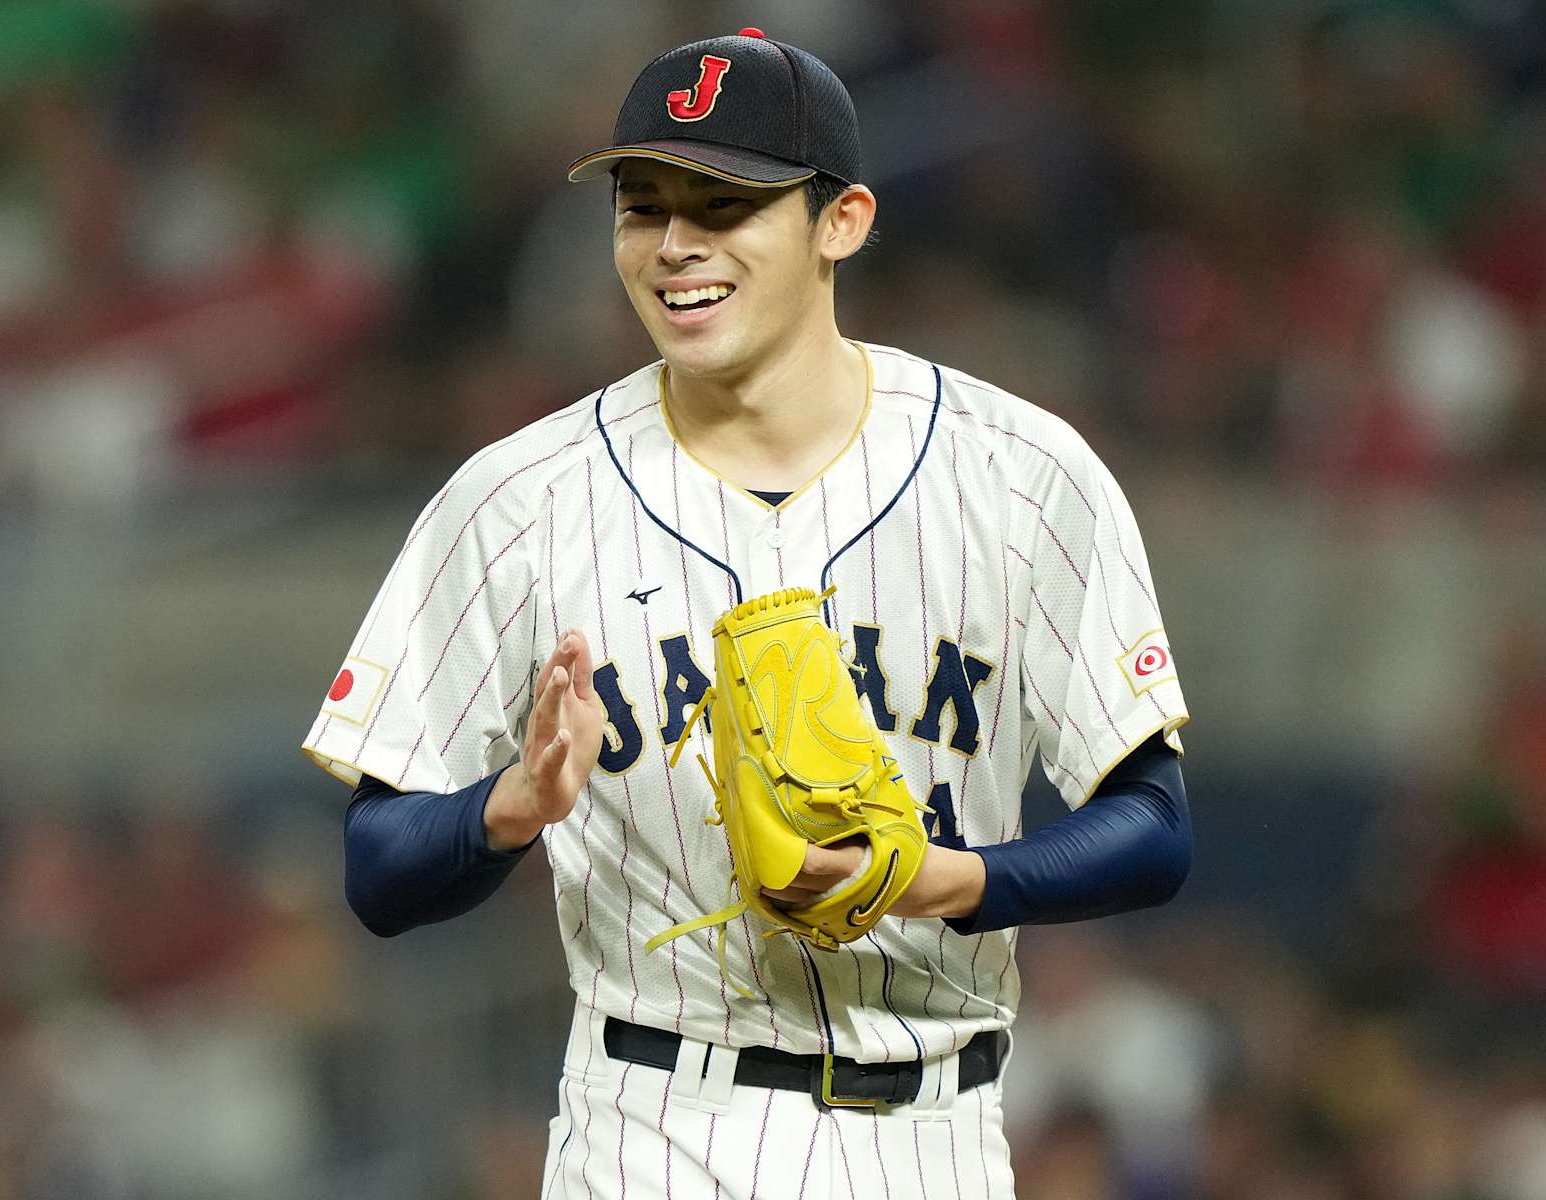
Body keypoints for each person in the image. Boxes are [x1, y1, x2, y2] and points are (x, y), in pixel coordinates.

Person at [302, 27, 1193, 1199]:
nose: (675, 247)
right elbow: (378, 869)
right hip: (654, 1126)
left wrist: (951, 881)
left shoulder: (1024, 474)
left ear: (843, 222)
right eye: (644, 206)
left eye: (725, 207)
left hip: (944, 1135)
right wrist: (508, 809)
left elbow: (1153, 826)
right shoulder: (517, 500)